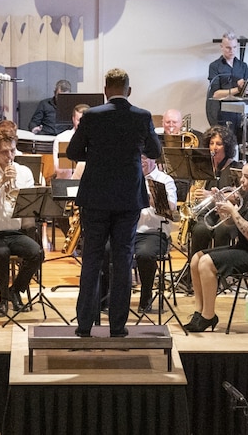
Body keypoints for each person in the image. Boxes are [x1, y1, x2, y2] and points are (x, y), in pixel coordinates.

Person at [67, 68, 163, 338]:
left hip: (95, 196)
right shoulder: (142, 117)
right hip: (127, 198)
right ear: (129, 91)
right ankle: (118, 326)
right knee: (122, 259)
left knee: (91, 259)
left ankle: (84, 324)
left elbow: (74, 152)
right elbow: (155, 151)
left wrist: (97, 152)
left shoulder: (92, 116)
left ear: (105, 90)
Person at [185, 159, 248, 332]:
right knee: (195, 259)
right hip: (244, 249)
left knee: (206, 262)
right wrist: (223, 211)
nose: (242, 181)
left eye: (246, 177)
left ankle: (208, 315)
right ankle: (199, 311)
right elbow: (231, 224)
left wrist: (233, 210)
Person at [0, 132, 43, 318]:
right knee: (1, 252)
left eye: (12, 151)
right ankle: (3, 299)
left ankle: (15, 290)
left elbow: (30, 202)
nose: (9, 156)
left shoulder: (24, 171)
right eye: (4, 152)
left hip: (14, 231)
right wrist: (1, 181)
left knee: (37, 253)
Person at [187, 125, 241, 259]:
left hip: (228, 215)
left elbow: (239, 196)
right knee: (200, 230)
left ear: (227, 147)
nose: (214, 147)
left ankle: (217, 269)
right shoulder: (204, 167)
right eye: (211, 143)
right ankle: (194, 269)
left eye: (219, 144)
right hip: (206, 212)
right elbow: (193, 190)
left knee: (222, 231)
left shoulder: (236, 167)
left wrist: (212, 196)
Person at [135, 155, 178, 313]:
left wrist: (151, 197)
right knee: (106, 249)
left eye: (145, 158)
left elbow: (171, 208)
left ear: (154, 159)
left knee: (145, 254)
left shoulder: (165, 180)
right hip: (129, 230)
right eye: (139, 157)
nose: (141, 162)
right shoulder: (130, 176)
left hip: (154, 233)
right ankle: (107, 298)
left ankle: (146, 296)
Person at [52, 103, 89, 180]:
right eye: (78, 120)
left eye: (84, 120)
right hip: (66, 181)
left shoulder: (96, 139)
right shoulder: (61, 138)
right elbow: (57, 169)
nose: (81, 123)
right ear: (73, 119)